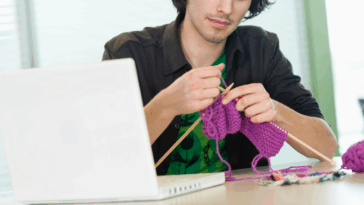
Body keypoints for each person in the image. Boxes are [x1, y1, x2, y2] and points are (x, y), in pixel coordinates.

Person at [102, 0, 337, 175]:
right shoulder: (127, 53)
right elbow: (104, 158)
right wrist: (166, 105)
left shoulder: (261, 49)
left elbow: (326, 147)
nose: (226, 8)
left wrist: (276, 112)